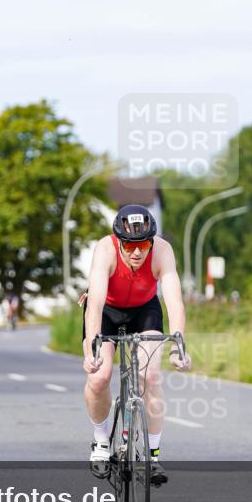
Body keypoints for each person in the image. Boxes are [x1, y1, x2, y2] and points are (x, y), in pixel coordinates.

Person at [82, 204, 191, 486]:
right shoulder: (104, 250)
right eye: (129, 246)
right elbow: (94, 304)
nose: (137, 252)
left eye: (143, 244)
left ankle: (152, 456)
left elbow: (174, 301)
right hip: (107, 310)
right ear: (119, 241)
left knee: (150, 375)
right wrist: (92, 348)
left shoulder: (163, 251)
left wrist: (179, 345)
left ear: (151, 241)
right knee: (100, 376)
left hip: (145, 309)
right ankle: (101, 440)